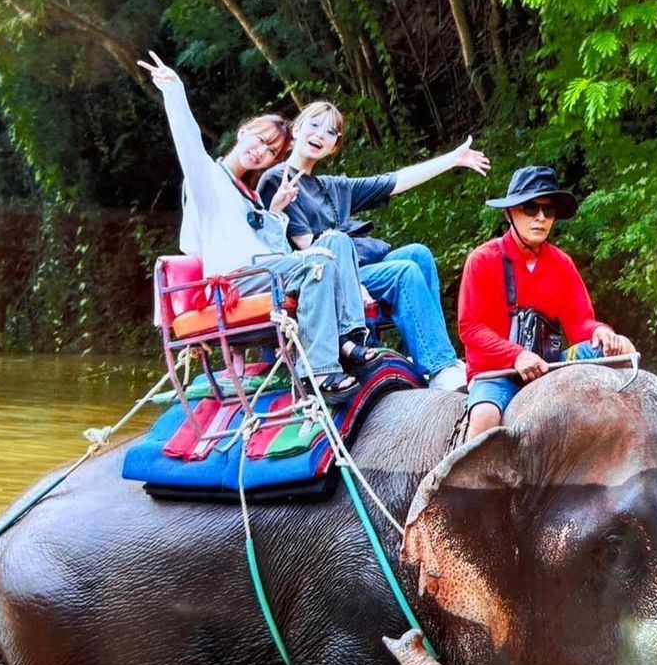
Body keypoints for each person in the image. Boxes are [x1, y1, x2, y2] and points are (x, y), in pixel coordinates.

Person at [138, 53, 383, 403]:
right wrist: (174, 93)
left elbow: (269, 250)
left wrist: (274, 211)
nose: (261, 152)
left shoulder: (248, 196)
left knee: (336, 242)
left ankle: (349, 338)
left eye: (271, 150)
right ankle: (321, 369)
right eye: (259, 140)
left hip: (261, 270)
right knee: (317, 262)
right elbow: (189, 144)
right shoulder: (206, 178)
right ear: (242, 133)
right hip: (234, 281)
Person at [259, 101, 490, 391]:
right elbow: (311, 247)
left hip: (354, 267)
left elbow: (394, 181)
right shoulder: (276, 180)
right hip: (322, 280)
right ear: (297, 129)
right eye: (314, 125)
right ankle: (439, 367)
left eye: (331, 132)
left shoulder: (331, 186)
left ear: (334, 147)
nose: (320, 134)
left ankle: (434, 358)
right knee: (403, 272)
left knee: (417, 254)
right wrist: (355, 284)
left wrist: (452, 159)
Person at [457, 165, 637, 439]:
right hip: (496, 372)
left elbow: (580, 323)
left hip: (551, 365)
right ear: (509, 213)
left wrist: (601, 332)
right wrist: (516, 355)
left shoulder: (562, 263)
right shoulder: (482, 260)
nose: (540, 218)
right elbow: (470, 328)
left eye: (548, 210)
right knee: (485, 416)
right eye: (530, 208)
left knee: (622, 347)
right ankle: (461, 481)